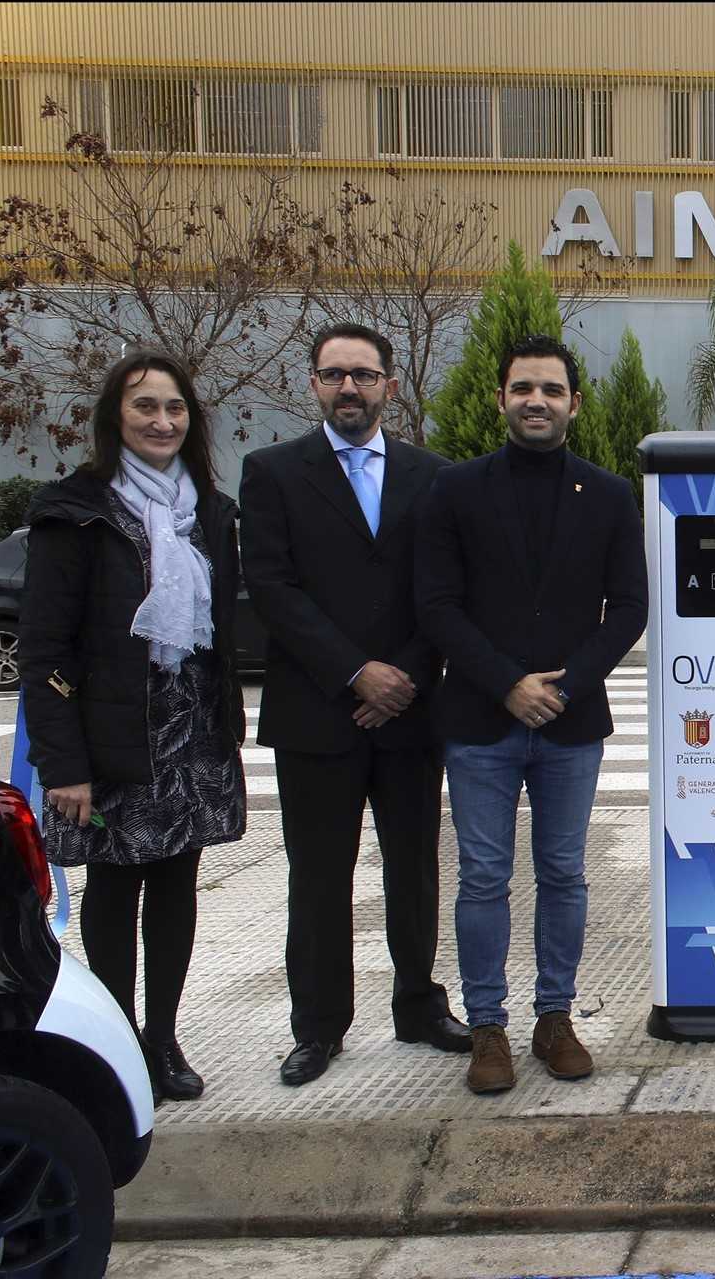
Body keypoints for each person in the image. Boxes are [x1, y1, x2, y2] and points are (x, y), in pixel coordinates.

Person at [415, 334, 647, 1095]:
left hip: (571, 725)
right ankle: (489, 1027)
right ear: (501, 398)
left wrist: (567, 686)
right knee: (482, 876)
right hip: (480, 720)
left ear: (574, 404)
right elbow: (437, 605)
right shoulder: (455, 490)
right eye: (523, 388)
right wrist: (508, 684)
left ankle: (555, 1017)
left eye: (551, 390)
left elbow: (629, 608)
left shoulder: (611, 495)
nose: (536, 401)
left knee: (564, 873)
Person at [241, 322, 467, 1088]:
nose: (349, 388)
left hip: (408, 711)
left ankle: (419, 1006)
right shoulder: (272, 472)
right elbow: (273, 589)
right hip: (317, 713)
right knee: (319, 877)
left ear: (390, 387)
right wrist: (354, 674)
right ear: (313, 384)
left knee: (414, 869)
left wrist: (401, 675)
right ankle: (318, 1026)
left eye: (364, 376)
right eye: (334, 375)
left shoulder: (432, 475)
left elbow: (441, 592)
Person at [21, 349, 246, 1101]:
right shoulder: (75, 510)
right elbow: (45, 649)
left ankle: (162, 1041)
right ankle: (118, 1046)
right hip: (113, 737)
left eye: (175, 408)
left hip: (191, 734)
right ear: (117, 416)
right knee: (115, 897)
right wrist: (64, 766)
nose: (162, 421)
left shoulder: (209, 509)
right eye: (146, 406)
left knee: (177, 891)